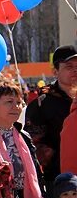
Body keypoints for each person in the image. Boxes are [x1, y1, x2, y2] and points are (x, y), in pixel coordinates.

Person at [27, 45, 77, 188]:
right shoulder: (42, 103)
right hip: (58, 182)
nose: (75, 70)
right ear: (55, 71)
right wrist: (56, 159)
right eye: (69, 66)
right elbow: (32, 143)